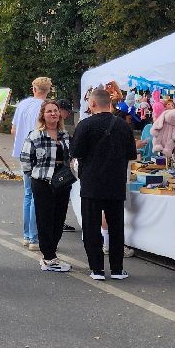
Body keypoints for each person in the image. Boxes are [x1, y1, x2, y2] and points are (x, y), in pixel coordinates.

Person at [70, 86, 137, 280]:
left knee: (91, 227)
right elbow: (131, 154)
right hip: (115, 183)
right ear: (110, 103)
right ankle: (117, 269)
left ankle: (96, 269)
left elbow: (76, 152)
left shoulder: (85, 125)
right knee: (116, 227)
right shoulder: (123, 126)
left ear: (92, 103)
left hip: (91, 183)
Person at [20, 100, 74, 272]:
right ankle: (48, 257)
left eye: (56, 111)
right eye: (49, 111)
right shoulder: (35, 135)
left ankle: (51, 254)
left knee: (59, 218)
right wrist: (35, 176)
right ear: (43, 115)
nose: (53, 114)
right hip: (42, 182)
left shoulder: (65, 135)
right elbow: (25, 160)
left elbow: (72, 157)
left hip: (63, 181)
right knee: (45, 219)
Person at [11, 77, 52, 251]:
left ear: (33, 88)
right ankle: (35, 238)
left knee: (28, 194)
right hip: (40, 153)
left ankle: (28, 236)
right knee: (38, 195)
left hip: (23, 152)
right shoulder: (46, 107)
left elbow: (13, 130)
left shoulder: (22, 105)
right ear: (48, 90)